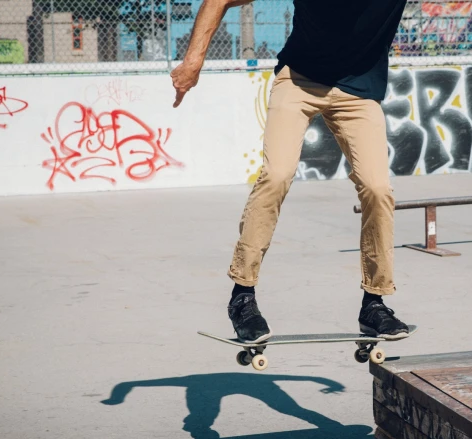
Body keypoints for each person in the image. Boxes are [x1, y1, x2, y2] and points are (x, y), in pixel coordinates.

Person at [171, 0, 410, 343]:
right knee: (277, 174)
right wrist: (193, 61)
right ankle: (243, 295)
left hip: (357, 92)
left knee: (378, 188)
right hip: (299, 80)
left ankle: (374, 303)